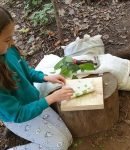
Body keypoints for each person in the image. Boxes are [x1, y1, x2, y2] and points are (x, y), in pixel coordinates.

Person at [0, 6, 74, 150]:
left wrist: (46, 78)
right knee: (60, 145)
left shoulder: (9, 50)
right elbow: (17, 114)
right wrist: (51, 99)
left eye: (12, 37)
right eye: (7, 39)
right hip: (18, 118)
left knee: (68, 138)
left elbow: (26, 71)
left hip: (34, 101)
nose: (11, 43)